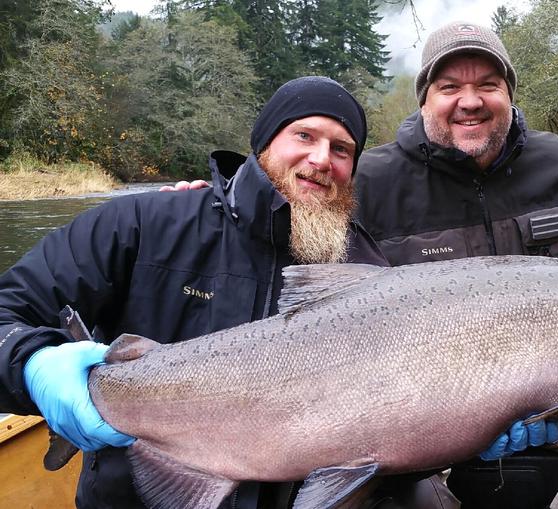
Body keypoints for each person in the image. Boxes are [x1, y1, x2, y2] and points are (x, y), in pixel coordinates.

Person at [0, 77, 412, 509]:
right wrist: (32, 363)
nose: (322, 159)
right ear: (264, 144)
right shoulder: (142, 224)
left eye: (341, 149)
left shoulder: (367, 274)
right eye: (304, 136)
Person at [352, 22, 558, 508]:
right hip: (427, 405)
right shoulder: (370, 181)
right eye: (449, 87)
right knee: (388, 489)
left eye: (488, 85)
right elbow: (320, 275)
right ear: (424, 99)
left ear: (509, 94)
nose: (470, 101)